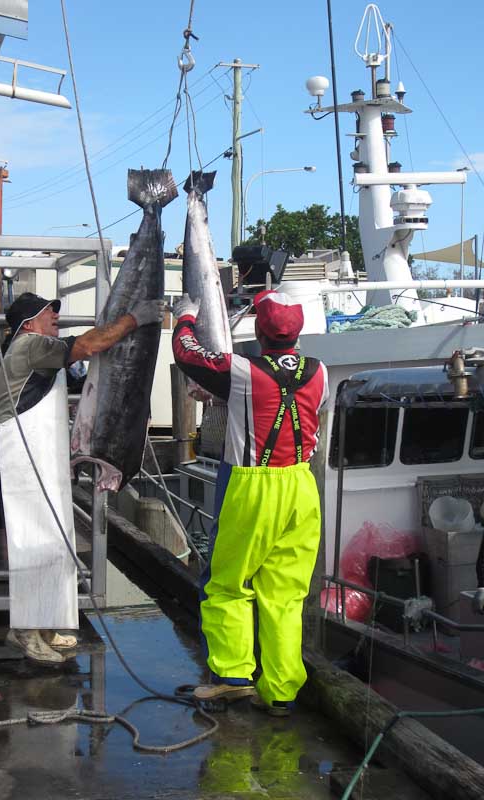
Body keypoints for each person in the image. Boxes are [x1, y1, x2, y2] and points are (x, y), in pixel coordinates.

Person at [0, 291, 164, 666]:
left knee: (50, 541)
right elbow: (87, 344)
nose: (55, 318)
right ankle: (24, 631)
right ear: (28, 323)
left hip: (34, 463)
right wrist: (134, 320)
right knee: (30, 545)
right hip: (15, 464)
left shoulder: (35, 351)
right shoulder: (30, 345)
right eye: (48, 313)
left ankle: (44, 622)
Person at [172, 290, 328, 715]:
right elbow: (284, 399)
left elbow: (188, 355)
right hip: (301, 485)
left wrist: (184, 316)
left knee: (226, 583)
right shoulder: (320, 372)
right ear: (297, 332)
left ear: (260, 331)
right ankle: (281, 691)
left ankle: (232, 676)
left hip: (253, 485)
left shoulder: (241, 369)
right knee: (284, 593)